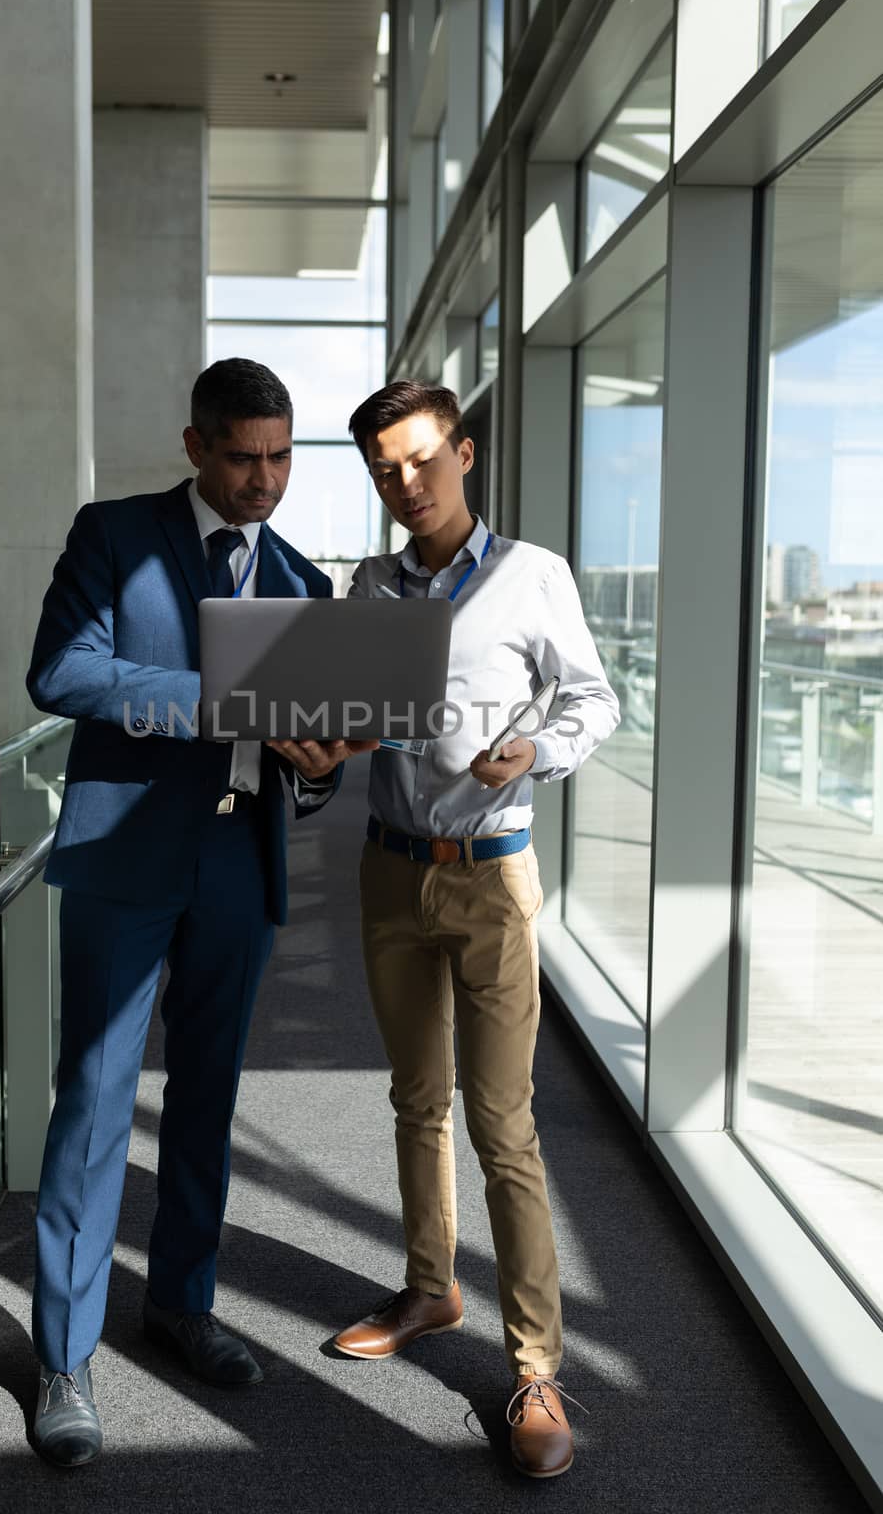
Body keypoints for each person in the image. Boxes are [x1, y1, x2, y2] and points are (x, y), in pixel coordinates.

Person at [25, 358, 367, 1467]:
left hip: (236, 864)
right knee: (92, 1100)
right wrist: (231, 699)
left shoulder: (308, 584)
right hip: (126, 860)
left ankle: (180, 1302)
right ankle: (63, 1356)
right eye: (240, 457)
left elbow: (304, 760)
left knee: (209, 1094)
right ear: (193, 445)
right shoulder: (114, 535)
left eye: (278, 458)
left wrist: (316, 762)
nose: (261, 479)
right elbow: (63, 673)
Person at [329, 379, 619, 1479]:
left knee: (503, 1123)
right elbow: (356, 714)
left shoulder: (529, 575)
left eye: (419, 459)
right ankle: (429, 1286)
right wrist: (332, 740)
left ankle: (536, 1363)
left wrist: (530, 752)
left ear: (460, 450)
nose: (405, 483)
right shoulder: (367, 586)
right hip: (388, 872)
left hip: (491, 877)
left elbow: (592, 701)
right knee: (413, 1100)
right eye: (383, 469)